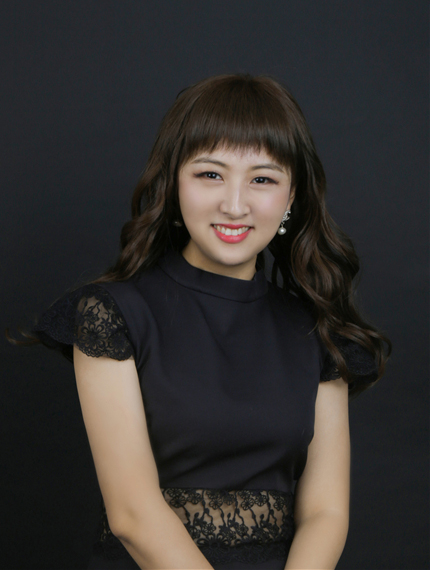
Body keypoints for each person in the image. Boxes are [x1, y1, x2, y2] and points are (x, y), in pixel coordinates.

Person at [24, 74, 390, 569]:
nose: (234, 205)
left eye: (262, 179)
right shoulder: (111, 314)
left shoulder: (317, 331)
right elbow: (132, 514)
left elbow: (326, 512)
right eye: (210, 174)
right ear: (175, 181)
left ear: (291, 197)